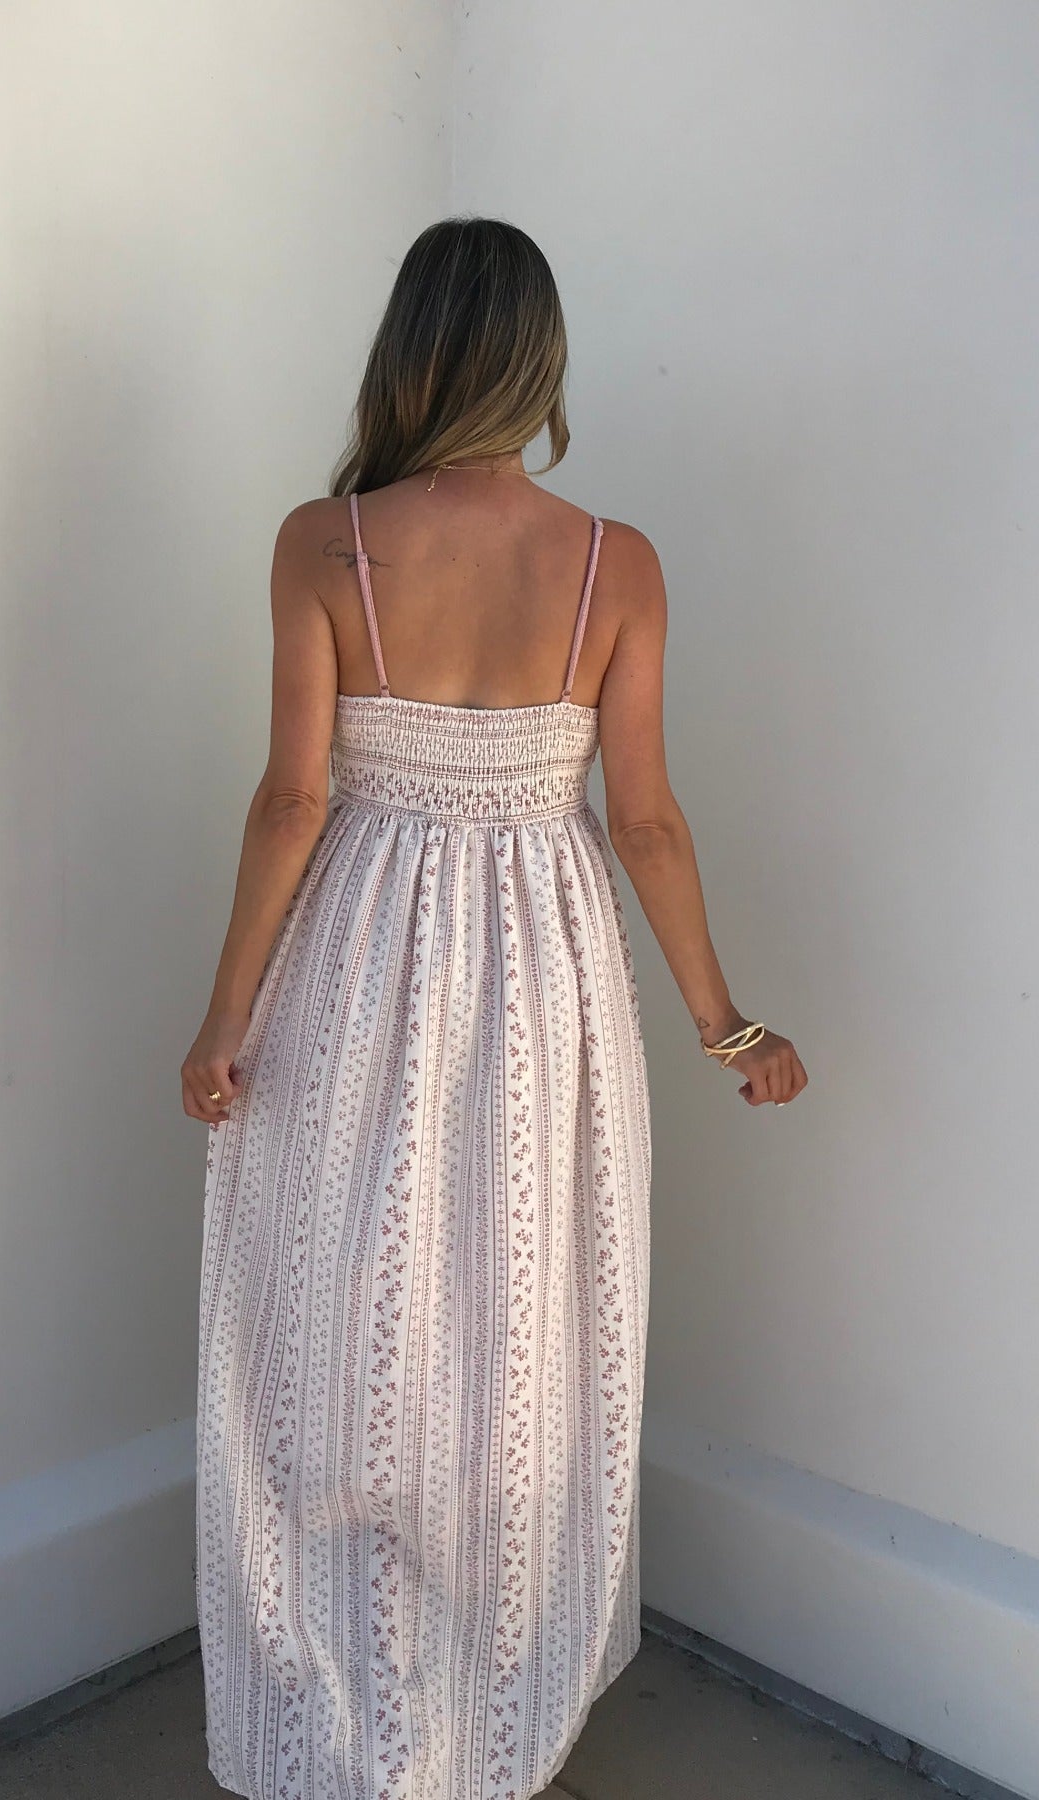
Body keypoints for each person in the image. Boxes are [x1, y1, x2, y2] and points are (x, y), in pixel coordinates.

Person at [182, 215, 807, 1800]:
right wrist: (727, 1025)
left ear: (411, 348)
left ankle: (330, 1714)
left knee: (325, 1321)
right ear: (540, 361)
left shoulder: (325, 543)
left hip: (355, 959)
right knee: (519, 1327)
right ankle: (482, 1722)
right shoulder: (616, 563)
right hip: (545, 973)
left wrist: (221, 1015)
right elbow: (649, 821)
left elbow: (290, 799)